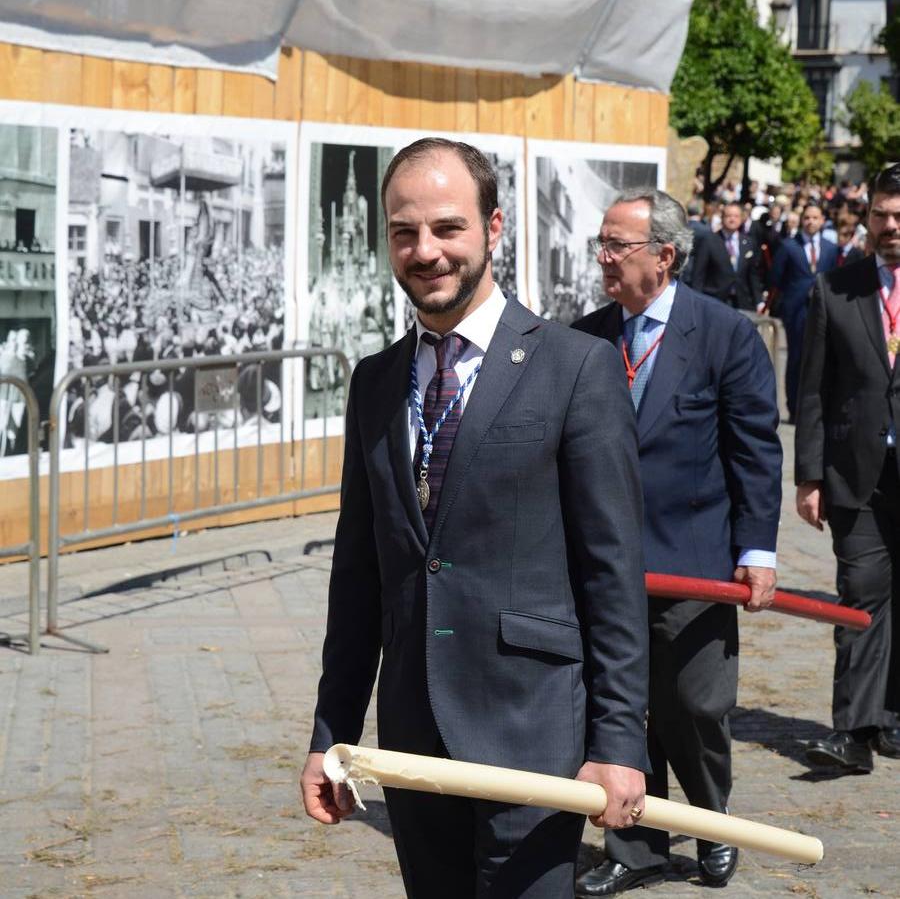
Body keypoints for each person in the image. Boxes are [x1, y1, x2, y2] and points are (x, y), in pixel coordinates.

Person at [300, 138, 651, 898]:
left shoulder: (575, 368)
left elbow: (613, 574)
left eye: (447, 228)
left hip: (535, 738)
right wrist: (332, 735)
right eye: (404, 232)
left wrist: (619, 740)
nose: (425, 251)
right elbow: (358, 575)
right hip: (414, 743)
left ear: (493, 230)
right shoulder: (375, 383)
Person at [572, 189, 782, 895]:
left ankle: (713, 823)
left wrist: (757, 550)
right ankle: (634, 848)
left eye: (616, 246)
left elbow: (754, 451)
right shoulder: (587, 338)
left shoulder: (723, 334)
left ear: (664, 256)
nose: (603, 258)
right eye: (599, 244)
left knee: (693, 706)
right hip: (605, 567)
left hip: (694, 568)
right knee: (617, 708)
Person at [795, 163, 900, 773]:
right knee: (860, 598)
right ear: (867, 216)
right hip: (856, 474)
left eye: (898, 217)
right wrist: (809, 476)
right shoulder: (835, 289)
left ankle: (893, 719)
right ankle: (854, 731)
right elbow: (813, 390)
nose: (889, 226)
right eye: (881, 215)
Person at [768, 203, 839, 422]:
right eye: (807, 217)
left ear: (822, 220)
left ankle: (816, 407)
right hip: (796, 310)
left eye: (815, 217)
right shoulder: (789, 246)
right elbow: (776, 278)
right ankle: (794, 407)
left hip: (822, 310)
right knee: (797, 359)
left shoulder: (830, 248)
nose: (810, 221)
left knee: (820, 358)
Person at [689, 201, 764, 311]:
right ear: (722, 217)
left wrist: (759, 301)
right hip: (714, 300)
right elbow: (698, 274)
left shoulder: (748, 242)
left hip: (741, 302)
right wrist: (695, 302)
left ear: (742, 218)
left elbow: (753, 275)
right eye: (728, 216)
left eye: (736, 216)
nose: (732, 219)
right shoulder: (709, 240)